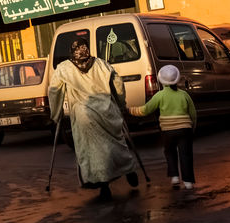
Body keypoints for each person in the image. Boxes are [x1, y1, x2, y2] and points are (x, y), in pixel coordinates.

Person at [48, 37, 138, 201]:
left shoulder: (64, 68)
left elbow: (54, 91)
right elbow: (118, 83)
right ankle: (129, 169)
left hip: (84, 115)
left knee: (93, 151)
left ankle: (103, 185)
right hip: (107, 111)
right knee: (116, 144)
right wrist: (120, 104)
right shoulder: (101, 64)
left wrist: (55, 114)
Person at [129, 64, 197, 190]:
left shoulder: (159, 95)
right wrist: (192, 128)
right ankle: (188, 182)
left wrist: (130, 110)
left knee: (170, 152)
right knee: (186, 154)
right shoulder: (184, 95)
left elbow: (145, 110)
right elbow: (193, 114)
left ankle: (174, 176)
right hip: (184, 129)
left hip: (167, 131)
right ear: (177, 80)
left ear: (162, 81)